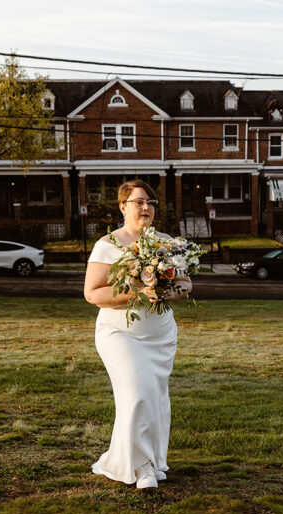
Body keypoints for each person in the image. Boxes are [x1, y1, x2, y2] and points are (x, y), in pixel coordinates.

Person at [83, 180, 192, 489]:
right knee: (137, 393)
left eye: (151, 203)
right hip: (121, 333)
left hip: (160, 334)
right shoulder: (108, 244)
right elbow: (93, 293)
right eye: (139, 202)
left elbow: (186, 284)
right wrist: (139, 293)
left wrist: (170, 291)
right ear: (122, 207)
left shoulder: (167, 242)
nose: (146, 208)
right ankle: (140, 467)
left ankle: (150, 461)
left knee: (155, 399)